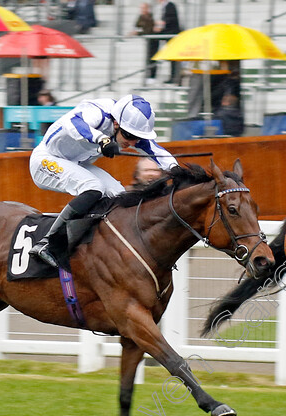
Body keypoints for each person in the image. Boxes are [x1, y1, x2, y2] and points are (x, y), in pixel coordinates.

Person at [28, 94, 178, 267]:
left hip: (76, 163)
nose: (133, 142)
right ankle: (47, 243)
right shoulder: (98, 112)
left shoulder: (125, 127)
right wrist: (102, 139)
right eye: (129, 136)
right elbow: (74, 123)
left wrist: (175, 168)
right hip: (45, 160)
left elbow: (154, 149)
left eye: (137, 137)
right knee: (93, 187)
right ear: (116, 124)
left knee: (120, 195)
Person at [155, 0, 182, 84]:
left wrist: (162, 24)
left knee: (174, 59)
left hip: (172, 35)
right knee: (172, 59)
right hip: (169, 35)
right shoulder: (166, 6)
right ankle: (173, 77)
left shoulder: (170, 5)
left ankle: (175, 78)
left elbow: (171, 20)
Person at [133, 2, 159, 83]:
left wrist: (139, 33)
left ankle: (152, 75)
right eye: (141, 8)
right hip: (147, 40)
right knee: (148, 57)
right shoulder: (141, 17)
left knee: (153, 57)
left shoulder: (151, 17)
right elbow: (137, 26)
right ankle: (148, 74)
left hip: (154, 39)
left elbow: (149, 29)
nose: (142, 10)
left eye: (144, 8)